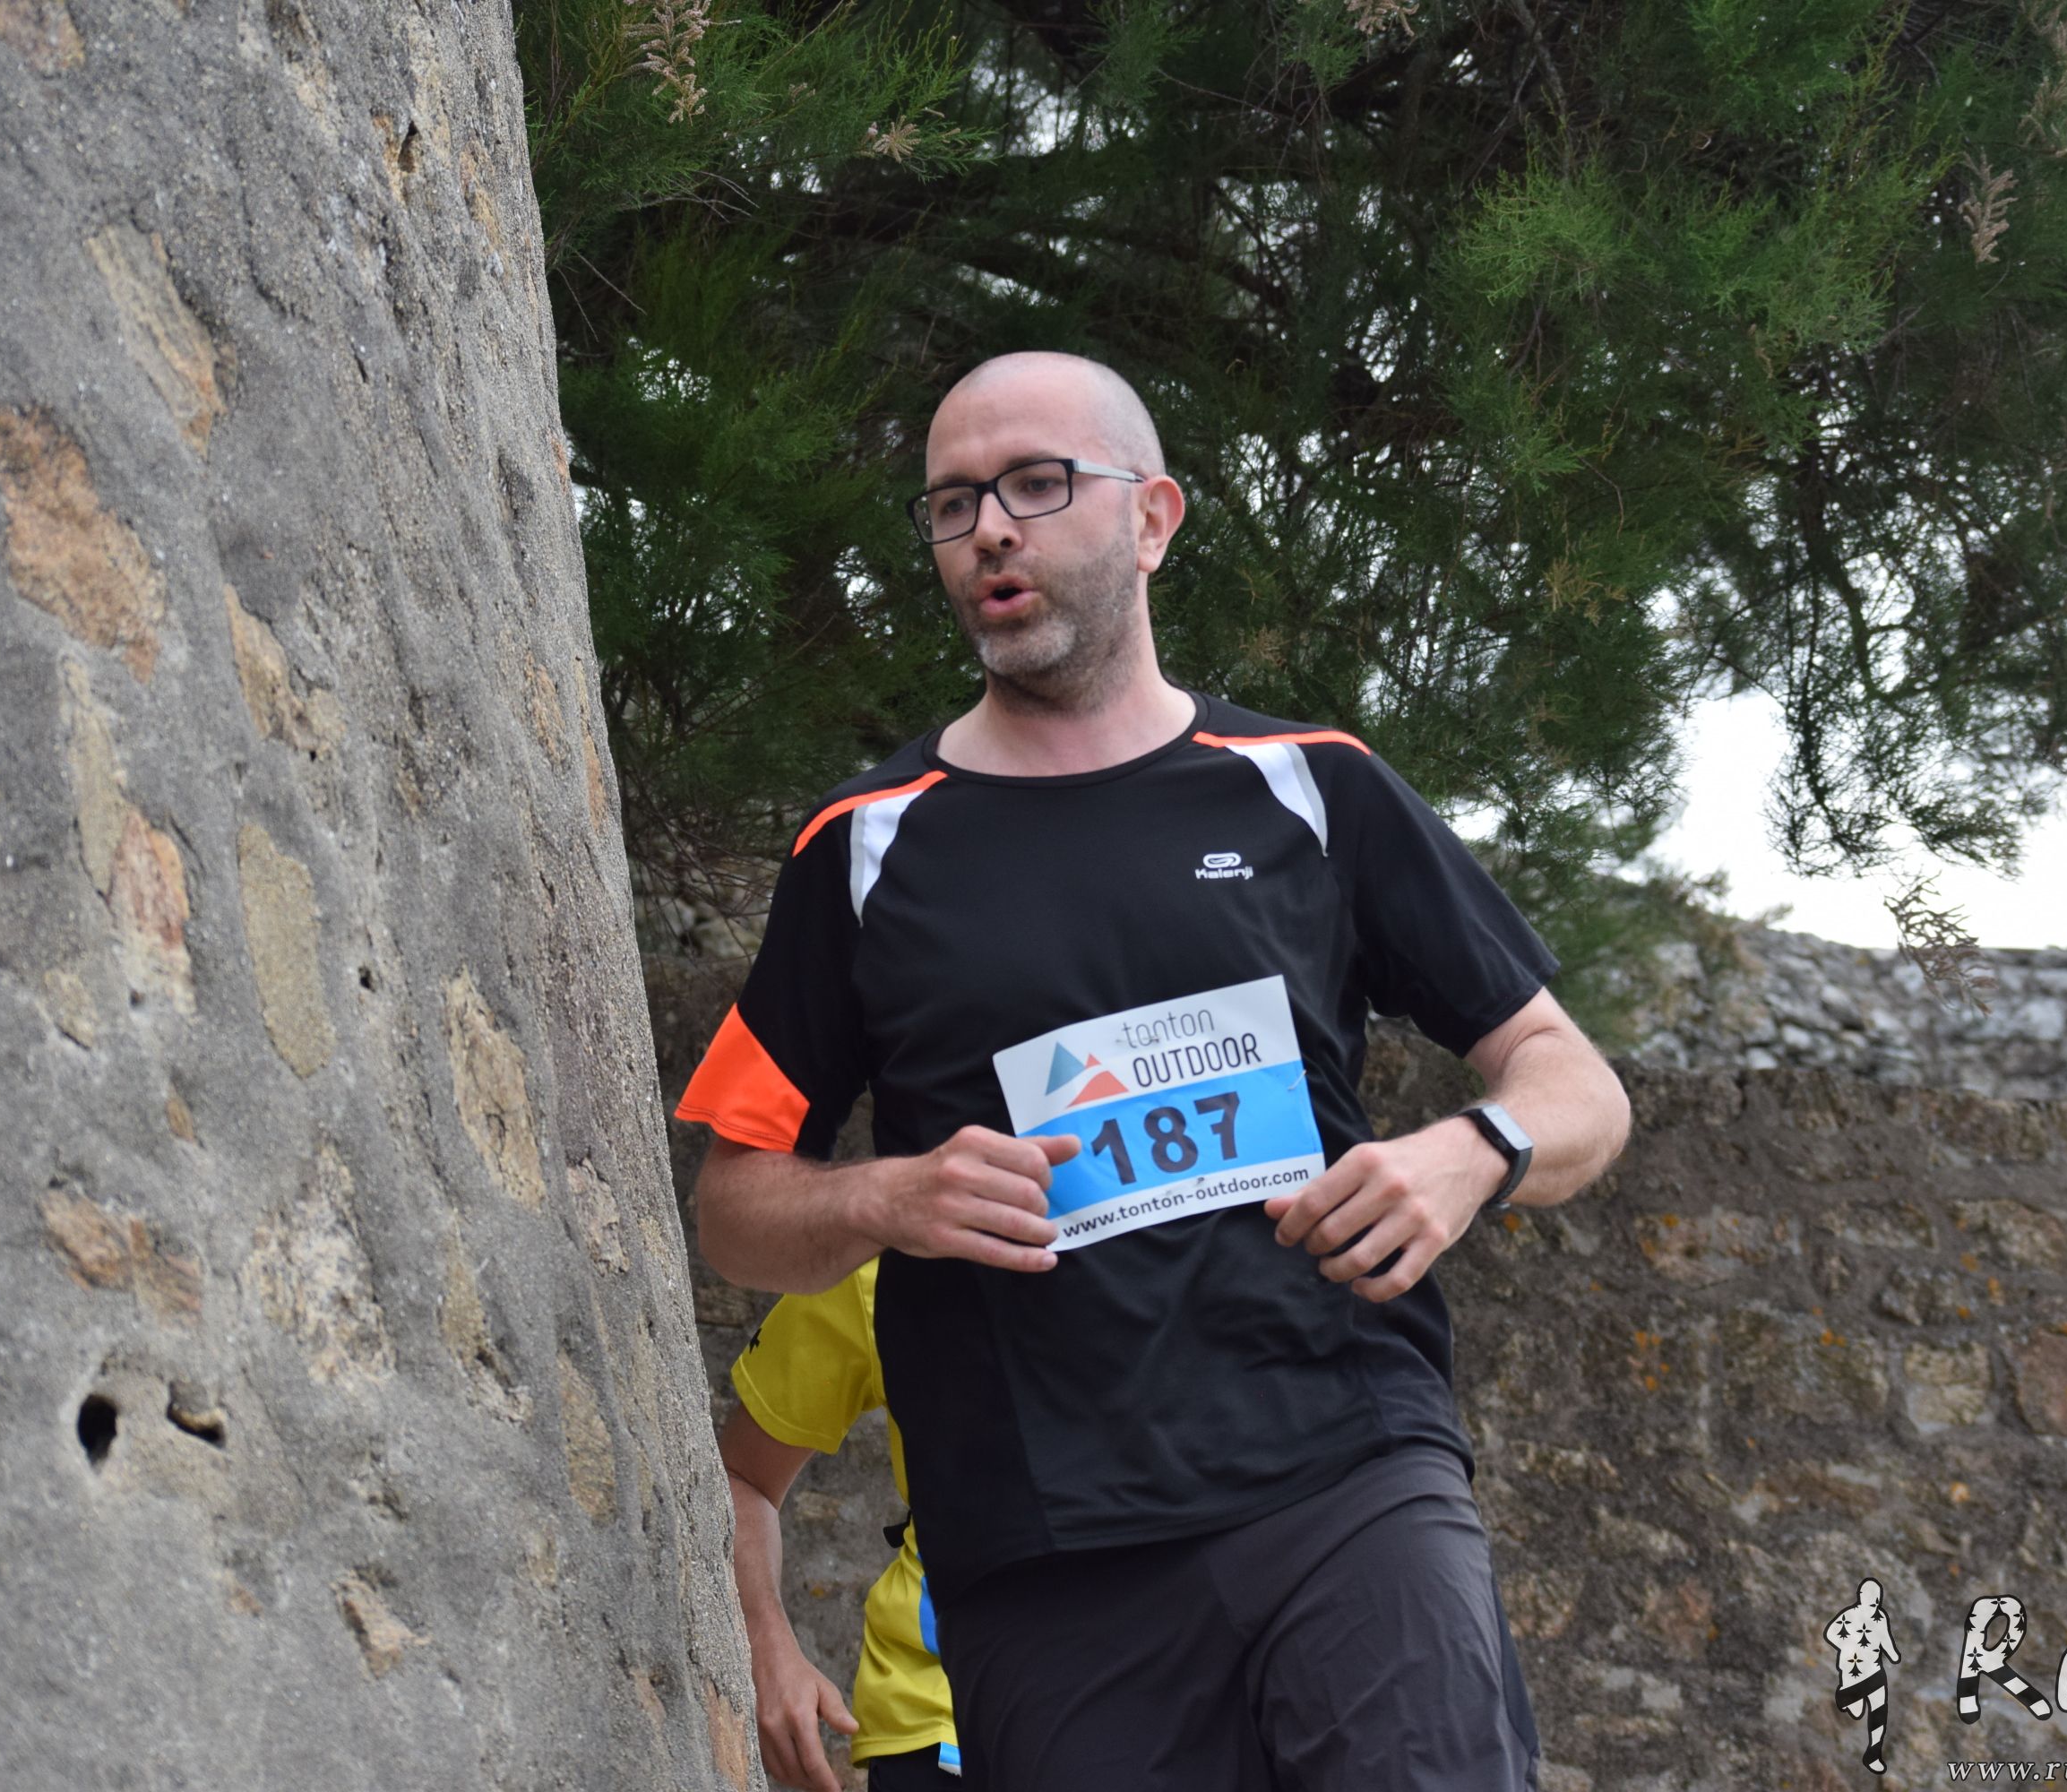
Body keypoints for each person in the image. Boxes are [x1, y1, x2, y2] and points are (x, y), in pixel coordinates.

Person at [680, 349, 1632, 1791]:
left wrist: (1472, 1151)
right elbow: (734, 1207)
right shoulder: (864, 846)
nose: (991, 530)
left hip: (1345, 1474)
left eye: (1036, 484)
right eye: (953, 504)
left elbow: (1576, 1085)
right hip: (1046, 1560)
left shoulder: (1313, 782)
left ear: (1152, 518)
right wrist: (886, 1199)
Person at [719, 1260, 961, 1792]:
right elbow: (741, 1478)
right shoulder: (877, 1266)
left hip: (1139, 1697)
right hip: (942, 1722)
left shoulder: (1155, 1242)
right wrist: (767, 1642)